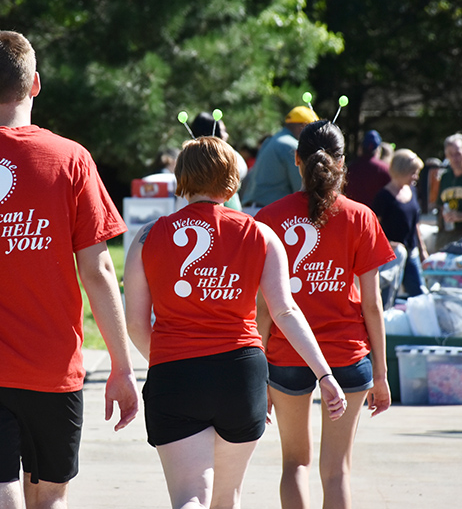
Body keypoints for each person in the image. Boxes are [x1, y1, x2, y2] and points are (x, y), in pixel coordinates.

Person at [0, 31, 140, 509]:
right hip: (51, 369)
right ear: (35, 84)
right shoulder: (72, 159)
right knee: (50, 497)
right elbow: (97, 272)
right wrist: (121, 365)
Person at [124, 136, 346, 509]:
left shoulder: (147, 238)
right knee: (227, 498)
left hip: (175, 373)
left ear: (181, 178)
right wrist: (324, 375)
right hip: (240, 375)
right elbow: (285, 311)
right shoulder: (260, 234)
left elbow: (134, 323)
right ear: (232, 181)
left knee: (189, 495)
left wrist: (164, 359)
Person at [255, 120, 393, 509]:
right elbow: (372, 305)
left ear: (296, 161)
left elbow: (264, 307)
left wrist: (260, 371)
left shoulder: (269, 218)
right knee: (337, 472)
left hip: (285, 355)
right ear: (342, 163)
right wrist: (380, 374)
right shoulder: (361, 217)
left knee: (294, 464)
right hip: (348, 356)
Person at [371, 149, 429, 301]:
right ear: (402, 171)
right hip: (391, 256)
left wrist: (422, 249)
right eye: (413, 173)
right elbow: (371, 228)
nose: (415, 177)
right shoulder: (383, 197)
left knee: (420, 295)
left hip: (411, 252)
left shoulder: (412, 191)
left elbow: (415, 222)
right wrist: (387, 244)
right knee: (388, 297)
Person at [241, 106, 318, 214]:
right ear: (302, 126)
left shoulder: (270, 141)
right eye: (312, 129)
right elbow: (302, 189)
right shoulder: (292, 146)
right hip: (268, 213)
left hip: (250, 210)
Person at [190, 111, 247, 210]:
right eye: (222, 131)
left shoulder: (186, 157)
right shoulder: (229, 156)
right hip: (222, 213)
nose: (226, 135)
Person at [344, 129, 391, 208]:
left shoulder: (349, 169)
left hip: (353, 215)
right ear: (378, 150)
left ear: (361, 148)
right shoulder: (386, 169)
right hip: (376, 217)